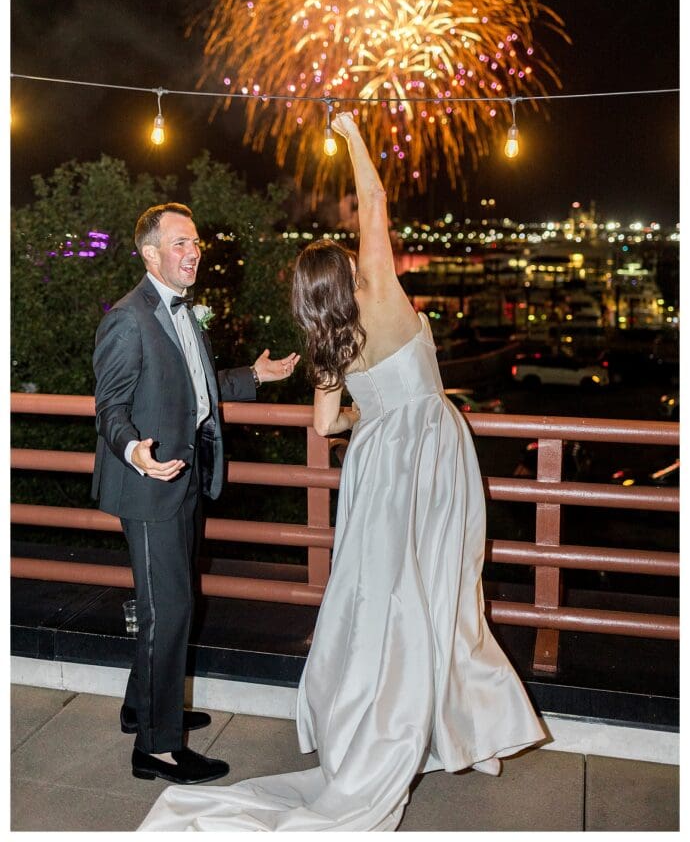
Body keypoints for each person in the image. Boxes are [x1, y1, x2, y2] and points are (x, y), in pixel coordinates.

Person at [138, 119, 544, 831]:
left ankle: (378, 719)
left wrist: (373, 414)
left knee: (381, 600)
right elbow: (376, 201)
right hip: (432, 459)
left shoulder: (331, 341)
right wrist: (354, 133)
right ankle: (456, 728)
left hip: (378, 470)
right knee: (444, 590)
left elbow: (327, 425)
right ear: (352, 272)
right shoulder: (383, 296)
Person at [92, 202, 299, 787]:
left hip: (188, 478)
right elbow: (109, 407)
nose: (194, 252)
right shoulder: (128, 319)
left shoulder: (186, 315)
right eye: (181, 243)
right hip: (148, 485)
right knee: (170, 609)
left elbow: (198, 387)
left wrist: (254, 376)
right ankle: (156, 749)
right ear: (151, 253)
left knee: (168, 606)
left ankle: (143, 707)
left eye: (196, 243)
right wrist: (136, 451)